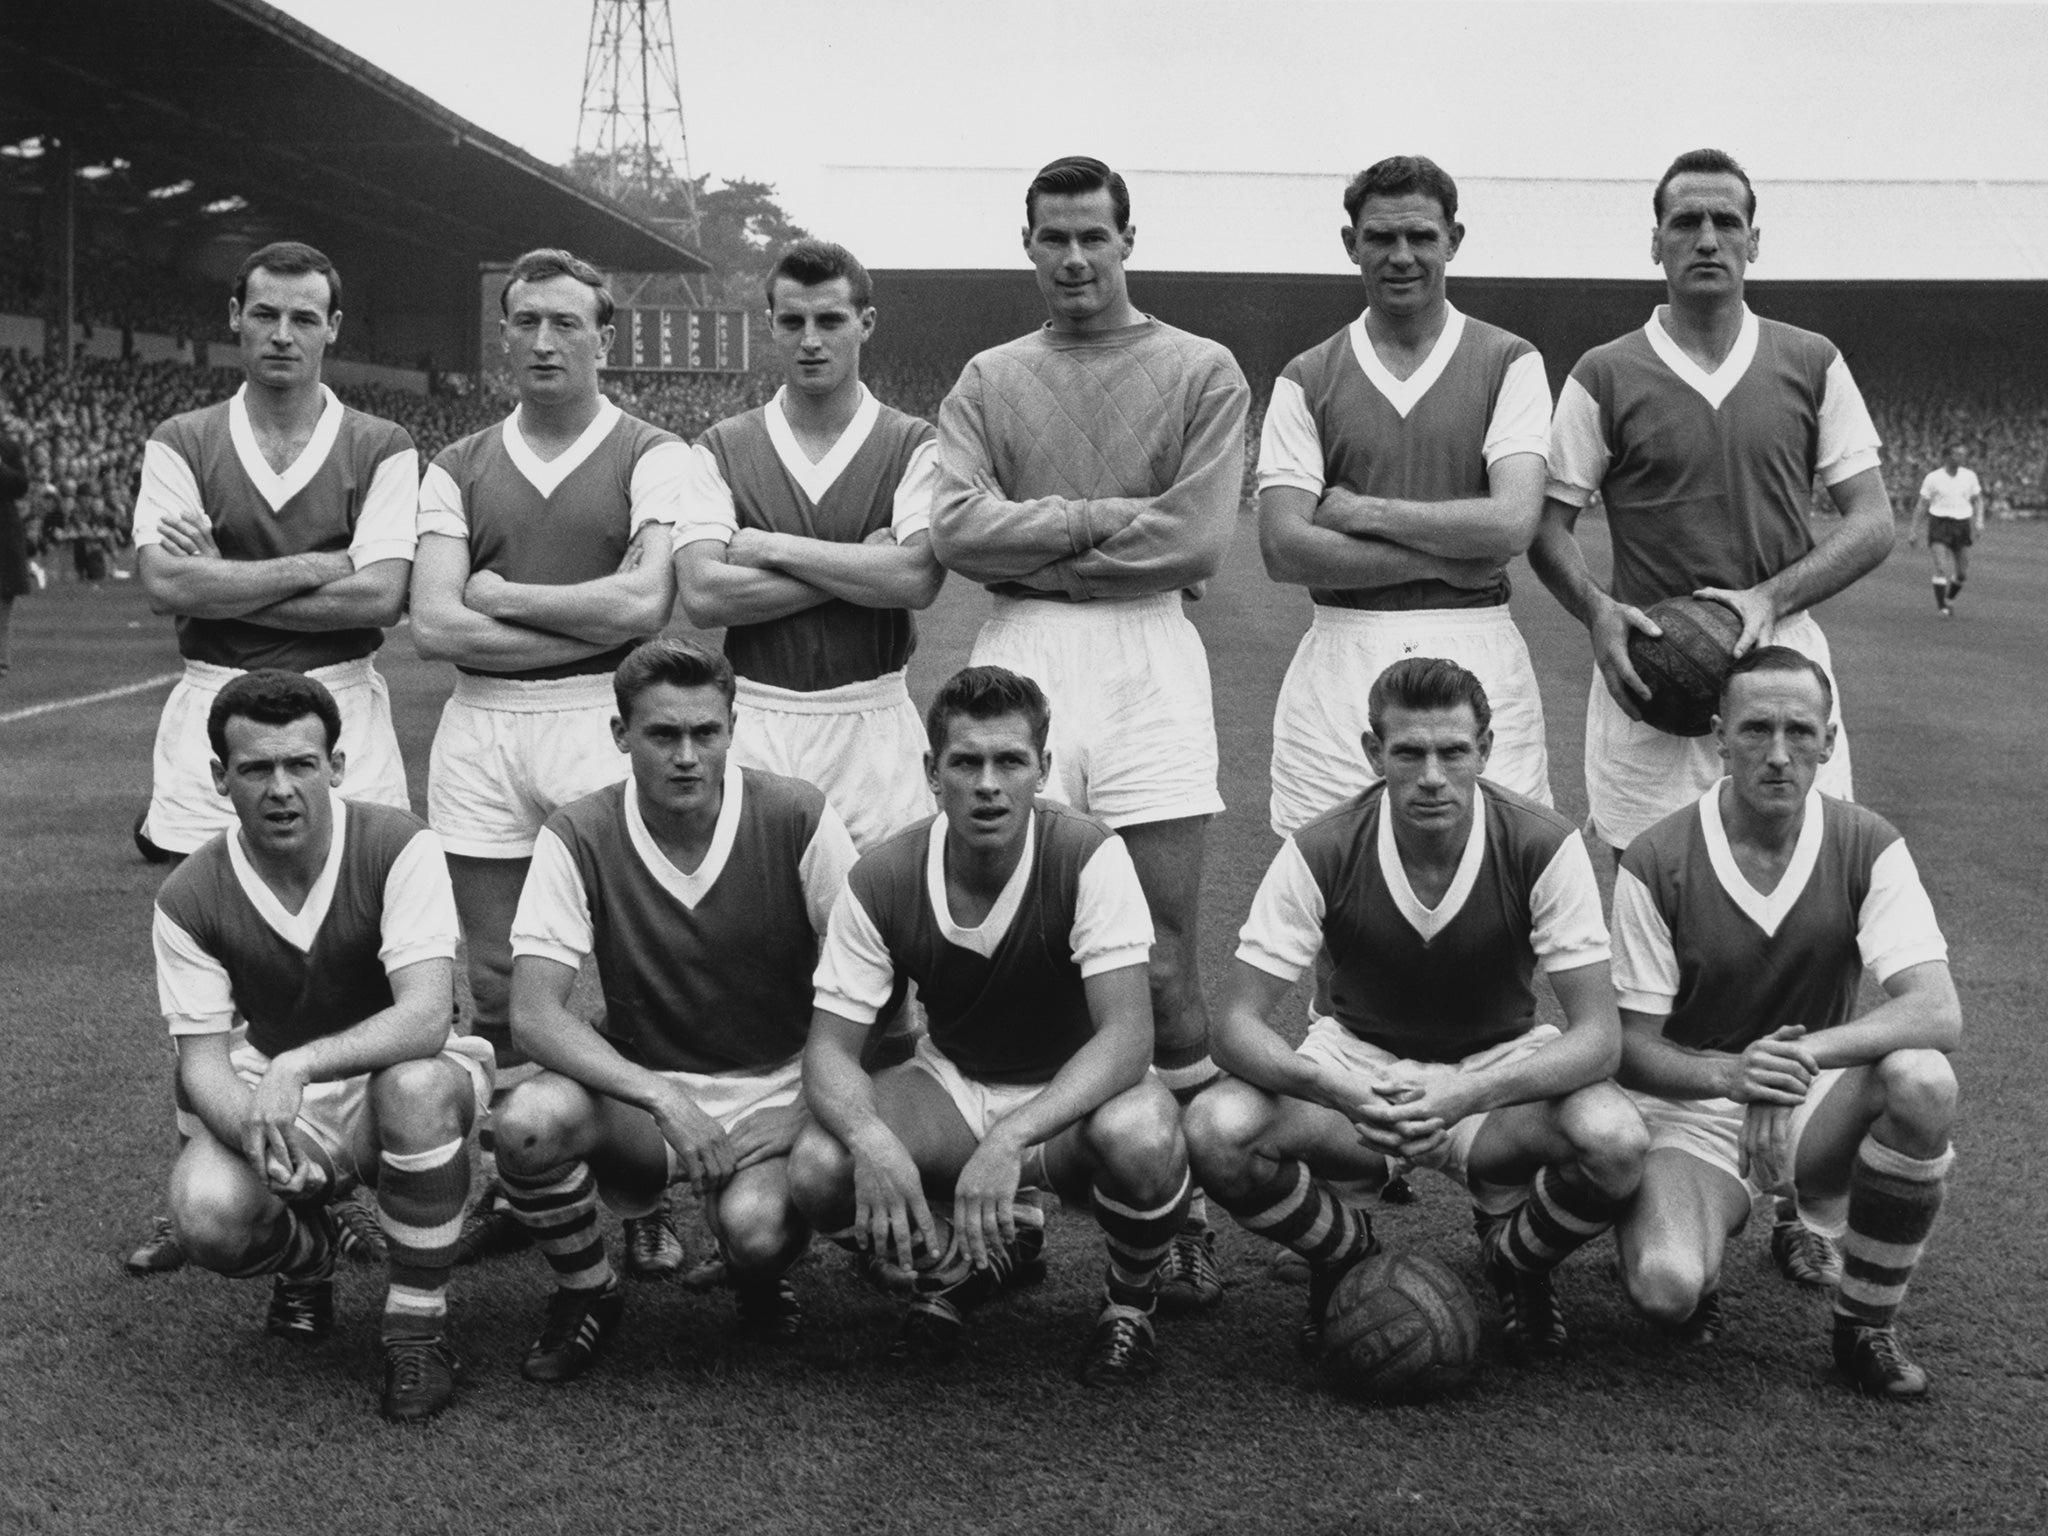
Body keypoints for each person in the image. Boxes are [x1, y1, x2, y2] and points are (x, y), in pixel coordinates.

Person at [928, 156, 1250, 1310]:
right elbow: (956, 529)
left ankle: (1182, 1211)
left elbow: (1196, 540)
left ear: (1126, 240)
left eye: (1092, 238)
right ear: (1026, 243)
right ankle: (1011, 1207)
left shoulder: (1198, 369)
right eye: (1052, 239)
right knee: (1009, 936)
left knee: (1160, 949)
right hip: (1018, 651)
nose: (1073, 259)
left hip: (1148, 654)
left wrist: (1044, 534)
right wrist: (1097, 518)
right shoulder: (987, 375)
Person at [1185, 657, 1645, 1361]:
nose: (1432, 775)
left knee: (1615, 1140)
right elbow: (1233, 1027)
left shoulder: (1540, 843)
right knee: (1218, 1127)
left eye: (1453, 752)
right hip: (1360, 1071)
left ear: (1485, 749)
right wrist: (1337, 1088)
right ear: (1375, 753)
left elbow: (1599, 1039)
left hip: (1493, 1069)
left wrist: (1467, 1092)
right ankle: (1344, 1256)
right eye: (1409, 752)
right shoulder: (1324, 847)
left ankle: (1516, 1262)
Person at [126, 241, 421, 1276]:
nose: (283, 334)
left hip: (337, 705)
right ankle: (212, 1161)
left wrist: (230, 574)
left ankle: (344, 1176)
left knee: (359, 936)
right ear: (235, 317)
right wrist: (313, 565)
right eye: (265, 315)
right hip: (214, 707)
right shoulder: (182, 436)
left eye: (304, 317)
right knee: (210, 943)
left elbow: (378, 596)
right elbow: (167, 587)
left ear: (334, 326)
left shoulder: (381, 443)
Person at [790, 666, 1192, 1385]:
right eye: (965, 761)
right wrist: (869, 1137)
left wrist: (1013, 1136)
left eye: (1010, 761)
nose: (987, 783)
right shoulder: (883, 875)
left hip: (1074, 1096)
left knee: (1143, 1134)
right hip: (954, 1082)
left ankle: (1129, 1306)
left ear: (1043, 768)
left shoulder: (1087, 854)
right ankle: (959, 1266)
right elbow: (829, 1051)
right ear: (931, 771)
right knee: (821, 1167)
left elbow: (1128, 1039)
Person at [409, 248, 687, 1273]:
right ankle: (531, 1191)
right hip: (479, 726)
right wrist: (568, 615)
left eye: (565, 323)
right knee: (494, 977)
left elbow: (644, 606)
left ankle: (646, 1182)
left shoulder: (654, 452)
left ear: (603, 337)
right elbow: (435, 625)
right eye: (524, 321)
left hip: (597, 721)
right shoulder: (460, 461)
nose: (540, 340)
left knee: (631, 966)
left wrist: (502, 596)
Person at [492, 639, 856, 1382]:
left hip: (779, 1079)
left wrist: (811, 1106)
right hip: (646, 1089)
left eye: (705, 733)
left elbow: (877, 978)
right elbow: (533, 1013)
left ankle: (757, 1273)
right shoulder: (579, 831)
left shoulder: (796, 814)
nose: (687, 755)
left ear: (732, 727)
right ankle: (588, 1292)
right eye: (662, 735)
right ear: (621, 736)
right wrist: (660, 1097)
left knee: (754, 1234)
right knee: (526, 1124)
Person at [1609, 648, 1959, 1399]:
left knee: (1924, 1079)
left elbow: (1937, 1009)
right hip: (1691, 1108)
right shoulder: (1655, 859)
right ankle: (1687, 1230)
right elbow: (1631, 1051)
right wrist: (1732, 1076)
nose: (1778, 754)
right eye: (1756, 729)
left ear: (1829, 741)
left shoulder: (1867, 841)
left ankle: (1864, 1324)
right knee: (1665, 1291)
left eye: (1800, 732)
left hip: (1812, 1103)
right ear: (1717, 738)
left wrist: (1787, 1066)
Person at [1530, 147, 1894, 857]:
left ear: (1754, 242)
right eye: (1685, 221)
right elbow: (1547, 528)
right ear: (1656, 241)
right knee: (1652, 902)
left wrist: (1769, 597)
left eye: (1727, 221)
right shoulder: (1602, 373)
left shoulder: (1812, 360)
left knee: (1803, 901)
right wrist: (1597, 611)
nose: (1706, 238)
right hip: (1650, 671)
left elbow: (1874, 521)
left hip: (1782, 665)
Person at [153, 671, 489, 1422]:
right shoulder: (187, 896)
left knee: (418, 1089)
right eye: (256, 769)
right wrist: (258, 1138)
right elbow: (201, 1061)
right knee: (206, 1214)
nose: (281, 788)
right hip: (277, 1089)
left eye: (300, 764)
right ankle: (315, 1252)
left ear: (335, 766)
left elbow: (426, 1017)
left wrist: (298, 1065)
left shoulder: (399, 845)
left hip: (392, 1073)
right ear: (219, 778)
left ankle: (417, 1330)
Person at [1258, 155, 1553, 833]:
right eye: (1381, 238)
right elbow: (1283, 547)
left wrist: (1366, 512)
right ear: (1350, 244)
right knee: (1329, 884)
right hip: (1343, 650)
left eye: (1421, 236)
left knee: (1497, 883)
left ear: (1454, 239)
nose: (1402, 256)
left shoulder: (1511, 360)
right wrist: (1449, 559)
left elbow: (1510, 524)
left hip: (1479, 648)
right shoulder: (1307, 375)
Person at [674, 238, 945, 853]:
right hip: (757, 716)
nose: (810, 339)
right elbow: (704, 594)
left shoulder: (914, 443)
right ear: (771, 325)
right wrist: (862, 565)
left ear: (865, 323)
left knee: (878, 928)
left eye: (830, 320)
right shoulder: (719, 447)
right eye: (792, 321)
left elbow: (915, 582)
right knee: (763, 935)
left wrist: (772, 547)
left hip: (873, 719)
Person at [1909, 442, 1984, 616]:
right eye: (1957, 454)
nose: (1961, 457)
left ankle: (1949, 600)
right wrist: (1914, 530)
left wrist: (1979, 521)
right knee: (1941, 567)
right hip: (1940, 524)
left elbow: (1978, 499)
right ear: (1947, 456)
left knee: (1962, 573)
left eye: (1963, 454)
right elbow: (1922, 504)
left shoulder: (1969, 476)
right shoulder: (1933, 478)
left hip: (1962, 524)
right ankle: (1942, 607)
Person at [0, 432, 27, 679]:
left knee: (3, 596)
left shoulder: (8, 447)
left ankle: (1, 660)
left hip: (3, 529)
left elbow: (21, 485)